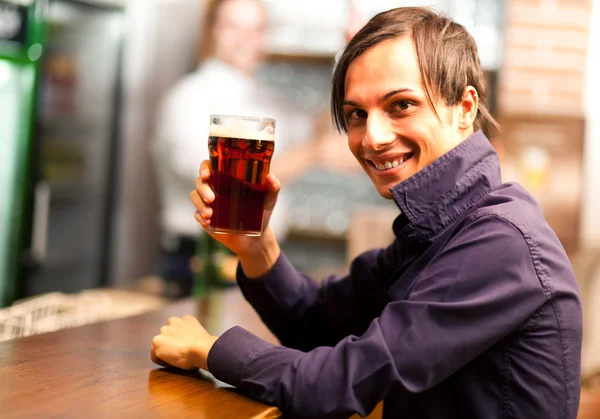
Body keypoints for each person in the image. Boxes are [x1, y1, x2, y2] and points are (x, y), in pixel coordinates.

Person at [151, 7, 582, 418]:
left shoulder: (497, 242)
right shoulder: (438, 228)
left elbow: (338, 383)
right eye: (356, 114)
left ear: (465, 108)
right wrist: (257, 250)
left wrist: (209, 349)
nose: (371, 137)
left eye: (401, 105)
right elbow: (318, 324)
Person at [152, 0, 319, 297]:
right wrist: (314, 152)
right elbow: (229, 182)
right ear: (212, 32)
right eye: (234, 27)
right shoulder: (187, 98)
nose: (246, 38)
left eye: (257, 29)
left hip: (261, 257)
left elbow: (325, 129)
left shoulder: (269, 99)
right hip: (202, 263)